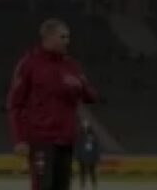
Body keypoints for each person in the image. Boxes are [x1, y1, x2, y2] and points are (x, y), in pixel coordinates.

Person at [7, 19, 97, 190]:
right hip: (41, 138)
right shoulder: (29, 64)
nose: (67, 41)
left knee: (62, 187)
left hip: (66, 140)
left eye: (68, 37)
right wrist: (19, 139)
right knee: (43, 186)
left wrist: (80, 85)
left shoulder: (71, 65)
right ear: (48, 37)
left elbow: (91, 97)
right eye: (63, 37)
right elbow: (14, 104)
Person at [76, 120, 100, 189]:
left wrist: (97, 156)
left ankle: (94, 185)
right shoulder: (80, 136)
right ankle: (82, 185)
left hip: (91, 157)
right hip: (82, 157)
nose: (85, 128)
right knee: (82, 172)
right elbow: (78, 146)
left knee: (92, 172)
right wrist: (78, 156)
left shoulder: (93, 136)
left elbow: (96, 147)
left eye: (86, 126)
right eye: (84, 126)